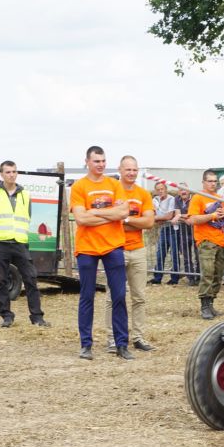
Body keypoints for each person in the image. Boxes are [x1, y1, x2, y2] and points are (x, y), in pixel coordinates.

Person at [71, 146, 131, 360]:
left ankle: (122, 344)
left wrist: (95, 211)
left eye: (103, 161)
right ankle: (86, 345)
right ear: (87, 161)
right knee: (87, 296)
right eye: (96, 161)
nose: (101, 164)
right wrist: (110, 215)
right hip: (87, 248)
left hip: (113, 246)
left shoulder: (115, 185)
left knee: (119, 296)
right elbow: (81, 219)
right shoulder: (79, 187)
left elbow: (124, 212)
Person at [0, 161, 49, 328]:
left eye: (14, 171)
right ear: (2, 175)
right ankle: (6, 316)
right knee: (0, 280)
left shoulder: (25, 195)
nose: (12, 174)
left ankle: (37, 317)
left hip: (19, 243)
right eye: (8, 172)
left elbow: (27, 217)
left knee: (31, 278)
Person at [104, 156, 155, 353]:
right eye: (128, 170)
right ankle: (112, 338)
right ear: (120, 170)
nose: (131, 173)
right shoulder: (112, 192)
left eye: (134, 170)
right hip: (116, 249)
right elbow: (109, 218)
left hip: (138, 249)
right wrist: (135, 219)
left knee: (139, 296)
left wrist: (124, 219)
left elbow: (149, 223)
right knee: (114, 296)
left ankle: (138, 337)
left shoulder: (143, 194)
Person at [188, 170, 224, 319]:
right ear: (203, 182)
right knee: (208, 272)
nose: (213, 184)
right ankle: (204, 305)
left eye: (214, 181)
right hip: (205, 240)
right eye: (210, 181)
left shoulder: (219, 198)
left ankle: (211, 304)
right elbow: (192, 219)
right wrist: (211, 215)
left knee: (218, 275)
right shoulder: (198, 198)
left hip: (220, 240)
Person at [149, 181, 179, 285]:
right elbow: (151, 214)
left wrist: (157, 218)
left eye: (162, 189)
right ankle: (157, 277)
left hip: (173, 229)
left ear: (166, 189)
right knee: (160, 253)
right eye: (158, 190)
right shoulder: (155, 200)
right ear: (156, 191)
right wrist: (159, 218)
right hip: (163, 228)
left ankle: (174, 278)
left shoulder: (172, 199)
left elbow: (169, 216)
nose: (160, 191)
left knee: (174, 254)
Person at [172, 182, 199, 286]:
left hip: (195, 230)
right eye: (180, 190)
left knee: (198, 255)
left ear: (188, 190)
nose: (183, 191)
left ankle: (198, 276)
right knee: (186, 255)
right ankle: (190, 277)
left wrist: (180, 217)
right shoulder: (177, 199)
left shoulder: (194, 198)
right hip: (183, 231)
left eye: (184, 189)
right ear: (178, 192)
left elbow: (193, 214)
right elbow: (177, 214)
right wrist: (183, 218)